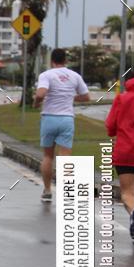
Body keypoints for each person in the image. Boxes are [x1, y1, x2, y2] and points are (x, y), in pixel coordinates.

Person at [34, 48, 90, 202]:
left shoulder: (46, 75)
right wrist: (71, 97)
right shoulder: (75, 76)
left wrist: (36, 102)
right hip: (66, 118)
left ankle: (47, 190)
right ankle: (68, 192)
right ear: (65, 60)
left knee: (47, 156)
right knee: (65, 157)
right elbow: (86, 97)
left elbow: (40, 93)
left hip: (49, 118)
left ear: (52, 61)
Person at [105, 67, 134, 244]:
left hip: (126, 151)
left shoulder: (122, 98)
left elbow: (111, 126)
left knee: (128, 192)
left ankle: (133, 212)